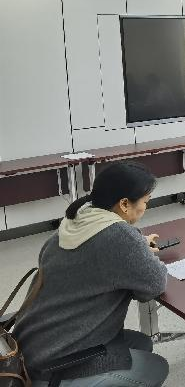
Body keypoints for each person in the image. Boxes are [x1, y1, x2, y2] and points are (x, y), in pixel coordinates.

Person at [13, 161, 169, 387]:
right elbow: (155, 283)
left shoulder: (77, 220)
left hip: (32, 344)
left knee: (141, 343)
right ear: (124, 204)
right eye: (145, 202)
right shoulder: (119, 237)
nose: (146, 207)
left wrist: (138, 246)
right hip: (55, 364)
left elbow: (98, 252)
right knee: (156, 366)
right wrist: (137, 247)